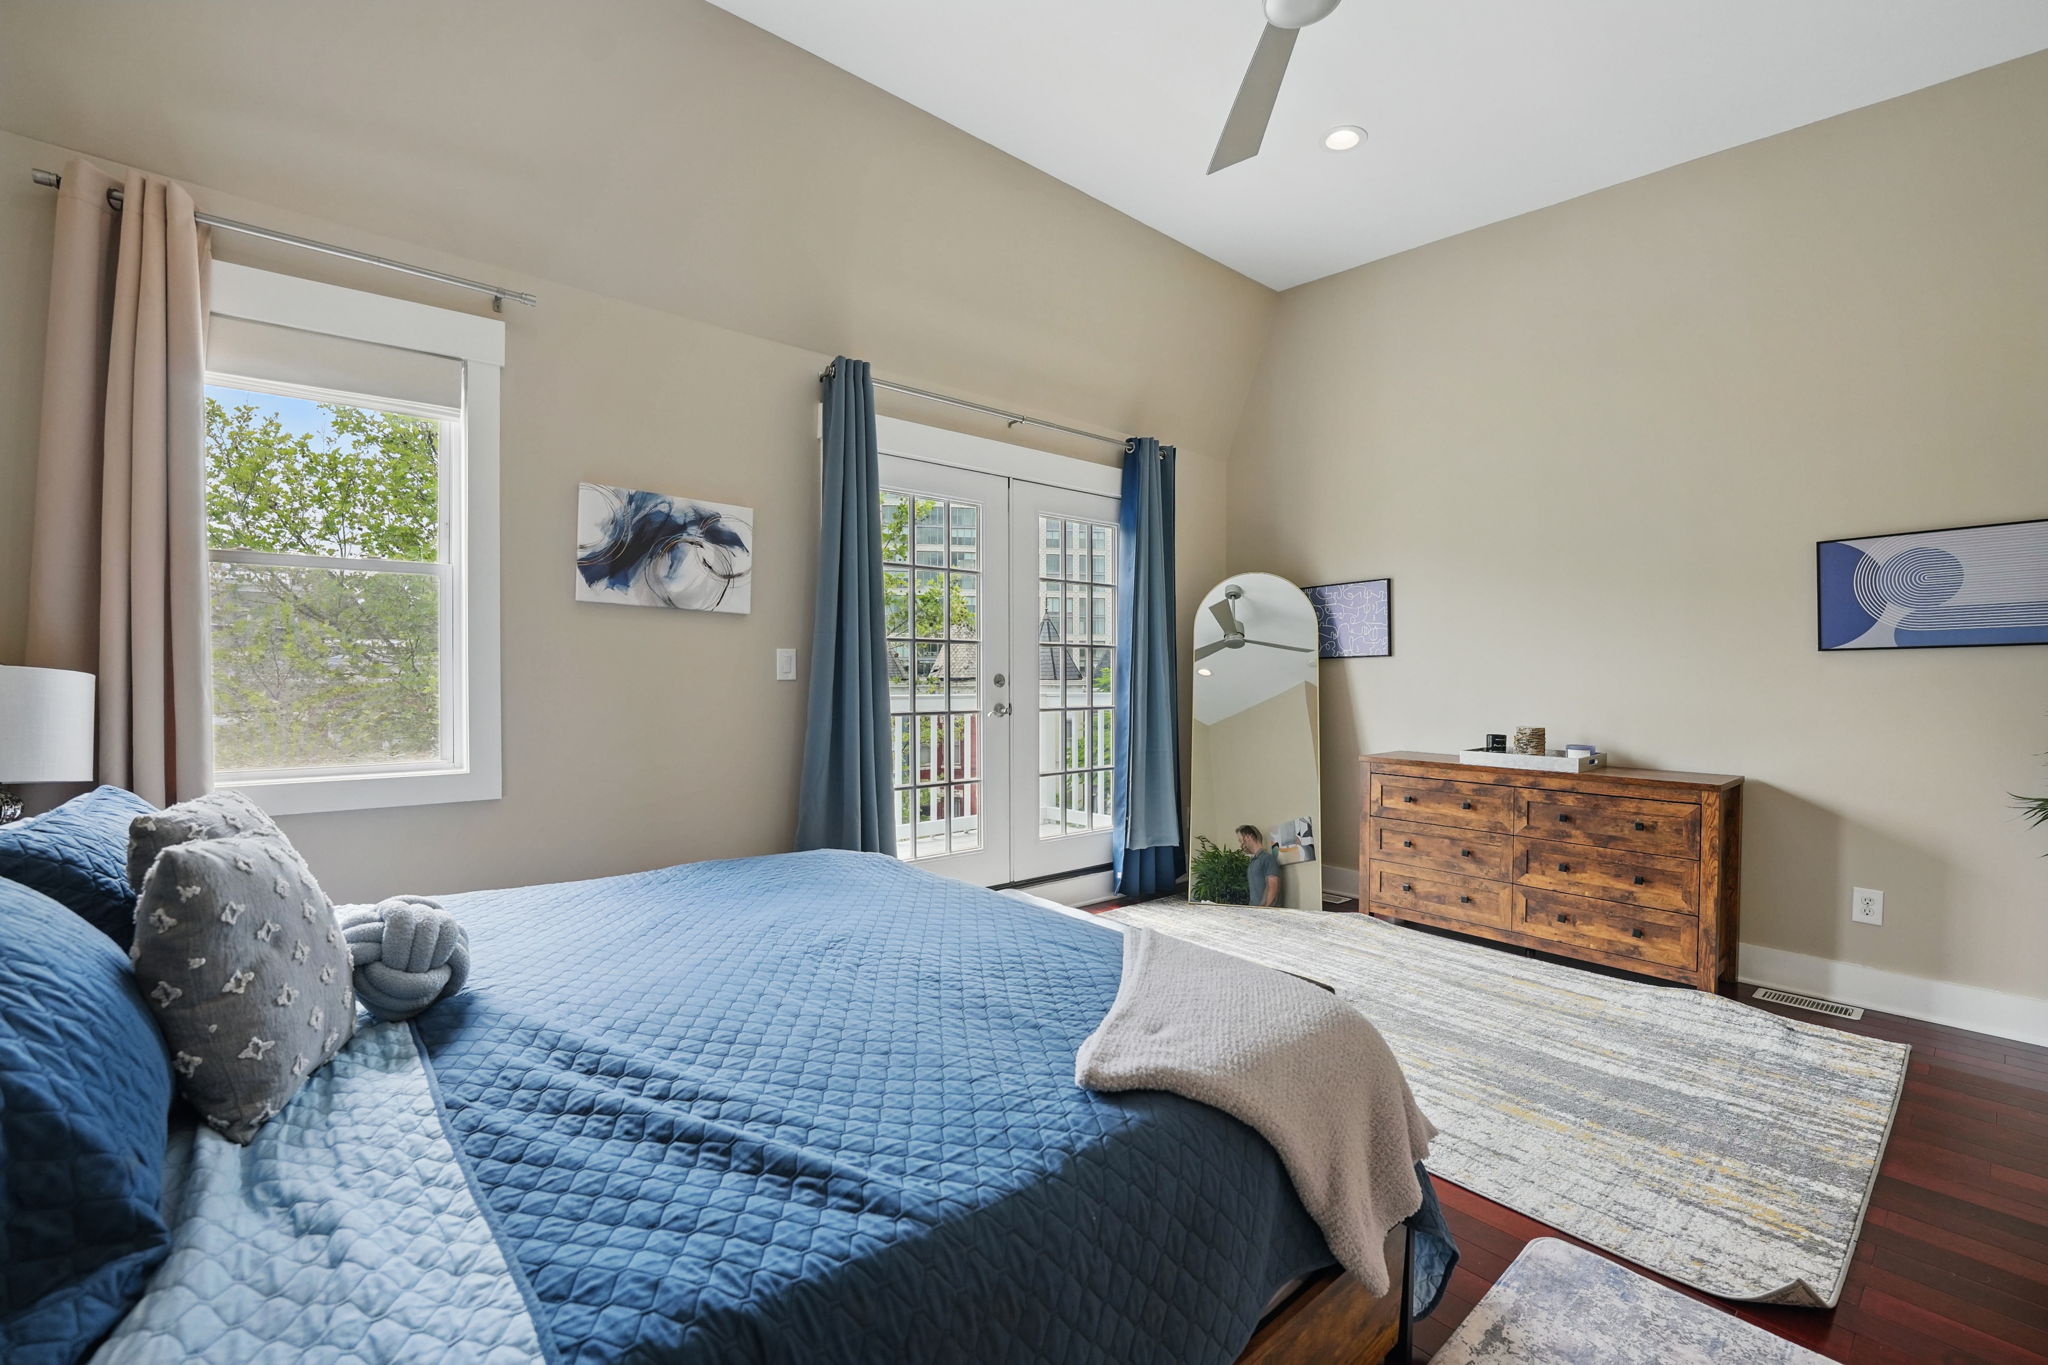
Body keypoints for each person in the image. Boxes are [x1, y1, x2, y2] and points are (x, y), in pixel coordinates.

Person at [1238, 824, 1281, 908]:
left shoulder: (1267, 859)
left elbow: (1273, 887)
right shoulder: (1253, 862)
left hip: (1267, 914)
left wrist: (1264, 909)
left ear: (1247, 837)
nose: (1241, 845)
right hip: (1255, 912)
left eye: (1240, 840)